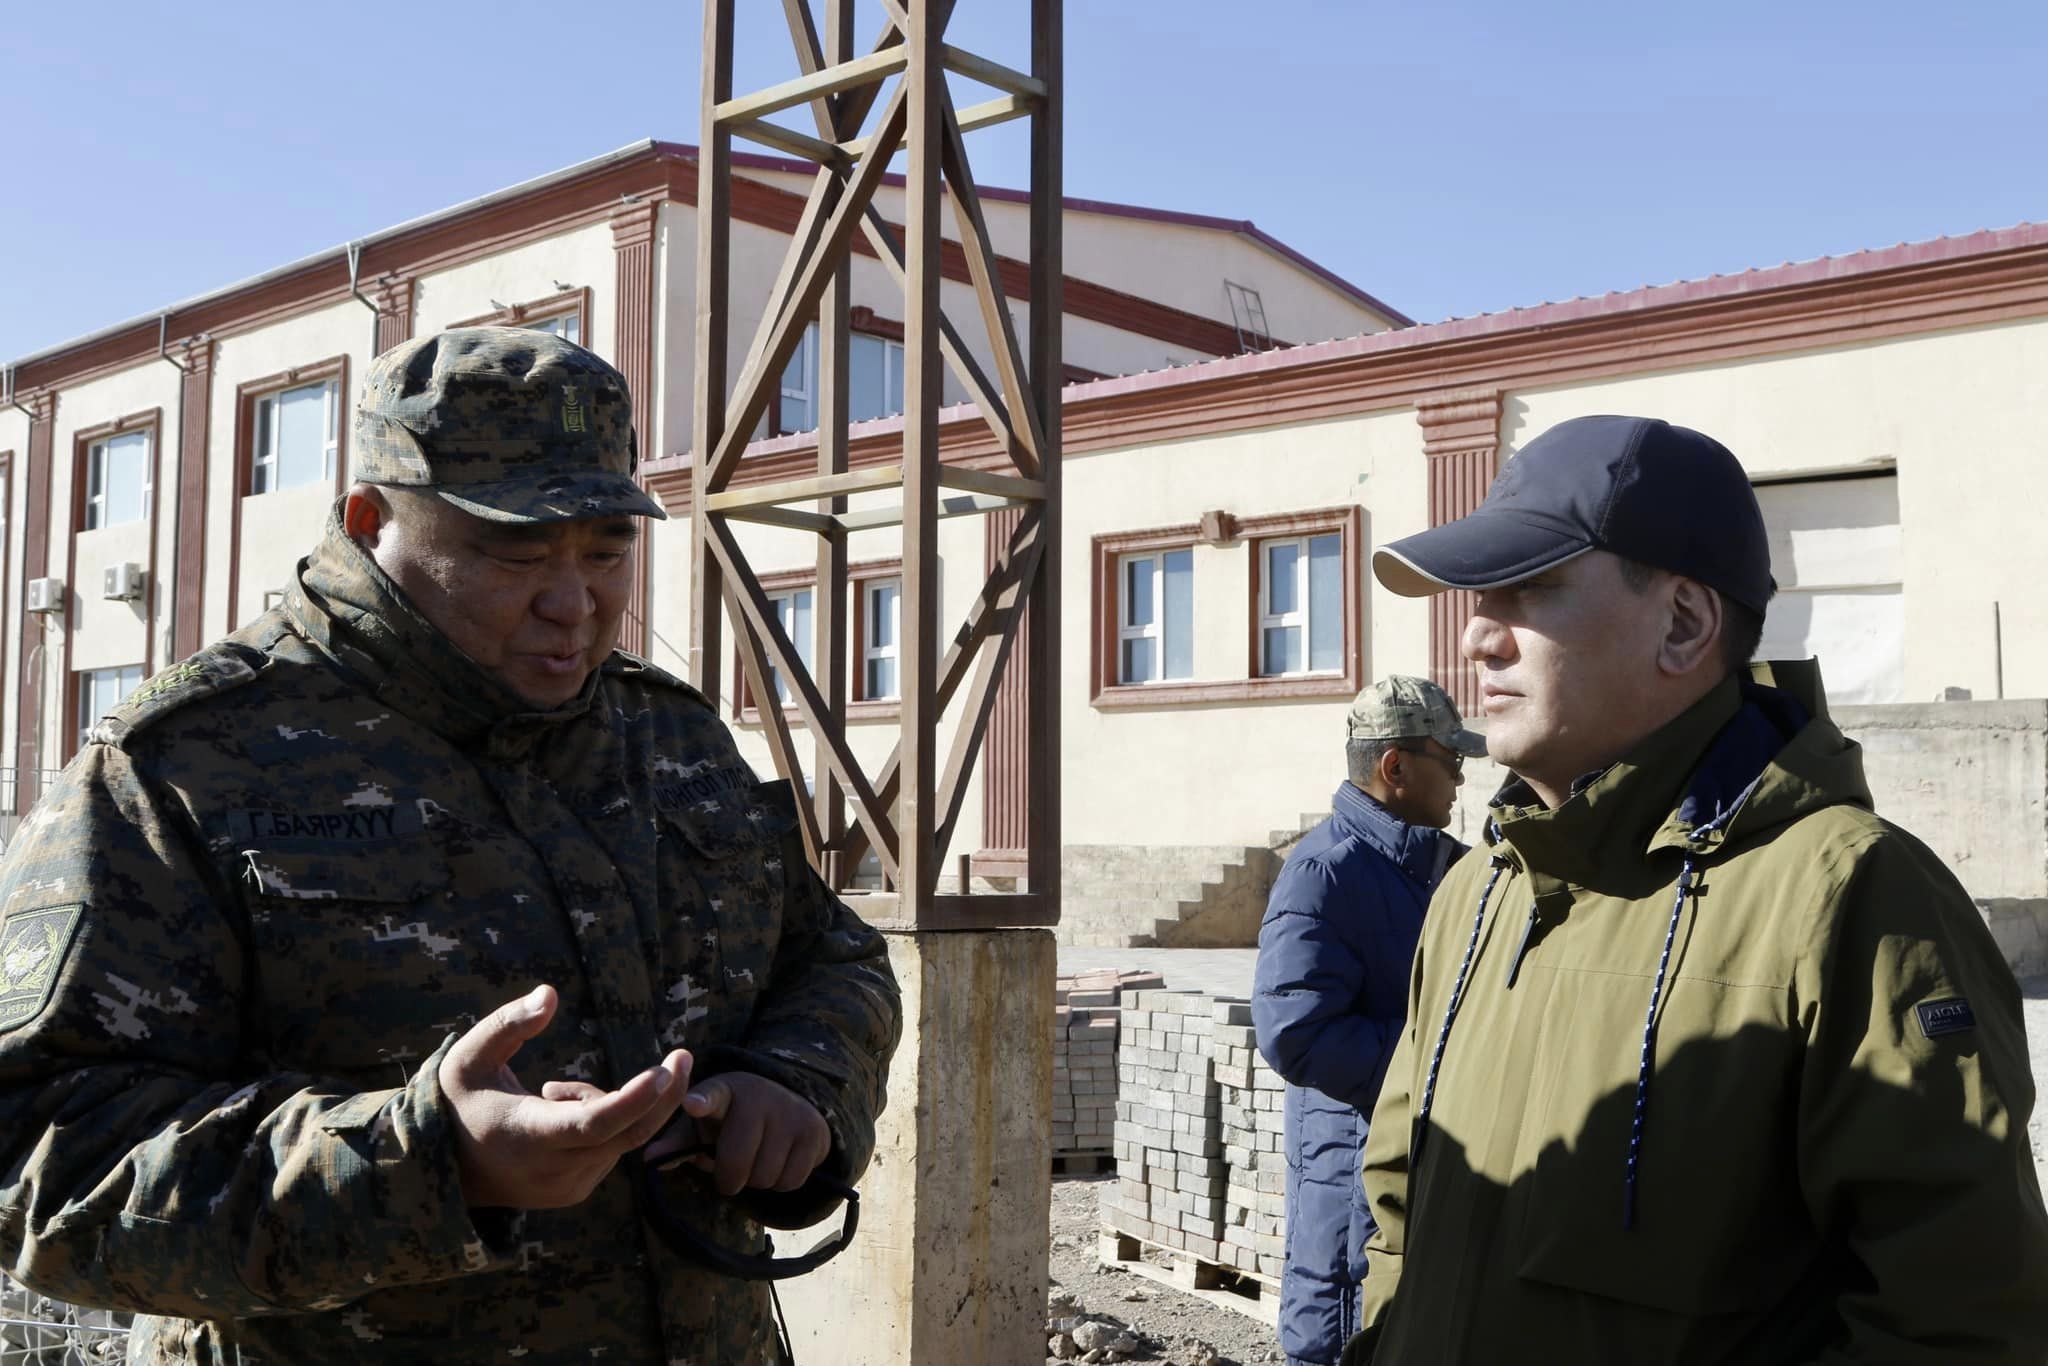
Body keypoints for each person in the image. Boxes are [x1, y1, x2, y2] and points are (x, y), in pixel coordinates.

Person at [0, 327, 902, 1365]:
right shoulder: (187, 766)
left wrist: (795, 1082)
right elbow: (41, 1162)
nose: (575, 605)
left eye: (606, 549)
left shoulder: (669, 735)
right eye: (512, 553)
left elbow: (829, 955)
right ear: (368, 521)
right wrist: (424, 1160)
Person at [1345, 414, 2048, 1365]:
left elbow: (1953, 1323)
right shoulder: (1477, 893)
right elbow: (1398, 1214)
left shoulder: (1855, 900)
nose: (1475, 638)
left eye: (1529, 586)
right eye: (1478, 596)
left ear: (1683, 623)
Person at [1252, 676, 1482, 1366]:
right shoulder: (1327, 873)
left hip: (1418, 1158)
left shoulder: (1436, 868)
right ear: (1397, 767)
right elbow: (1298, 1032)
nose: (1462, 782)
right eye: (1453, 762)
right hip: (1351, 1168)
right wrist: (1436, 1059)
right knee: (1345, 1337)